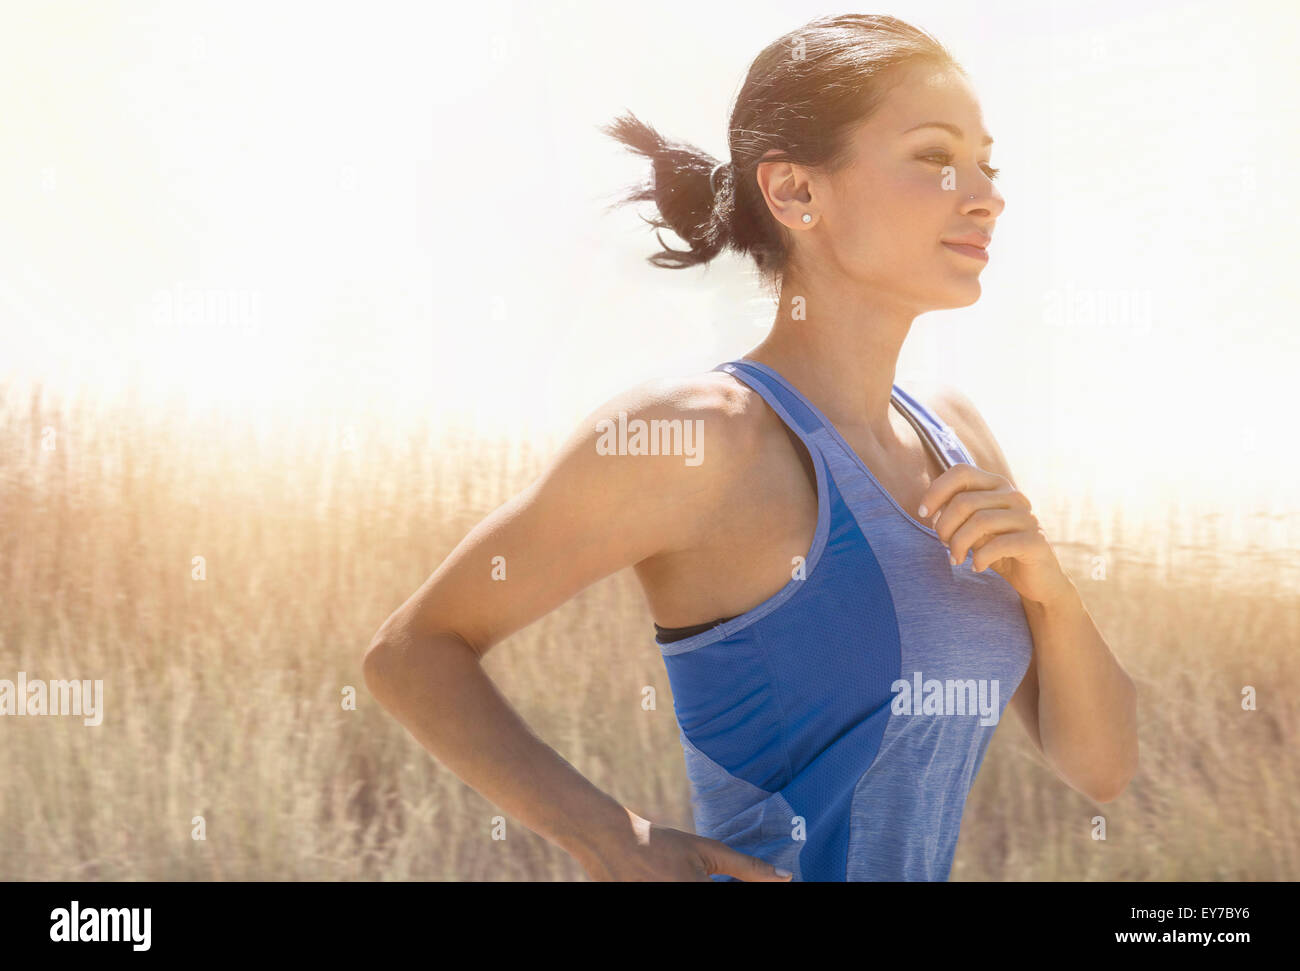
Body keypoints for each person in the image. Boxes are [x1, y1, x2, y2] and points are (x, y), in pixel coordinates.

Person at [362, 13, 1138, 882]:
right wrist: (614, 837)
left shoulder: (958, 441)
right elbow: (411, 653)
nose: (985, 192)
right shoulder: (701, 435)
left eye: (987, 163)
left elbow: (1100, 766)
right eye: (933, 156)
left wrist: (1052, 591)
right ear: (796, 193)